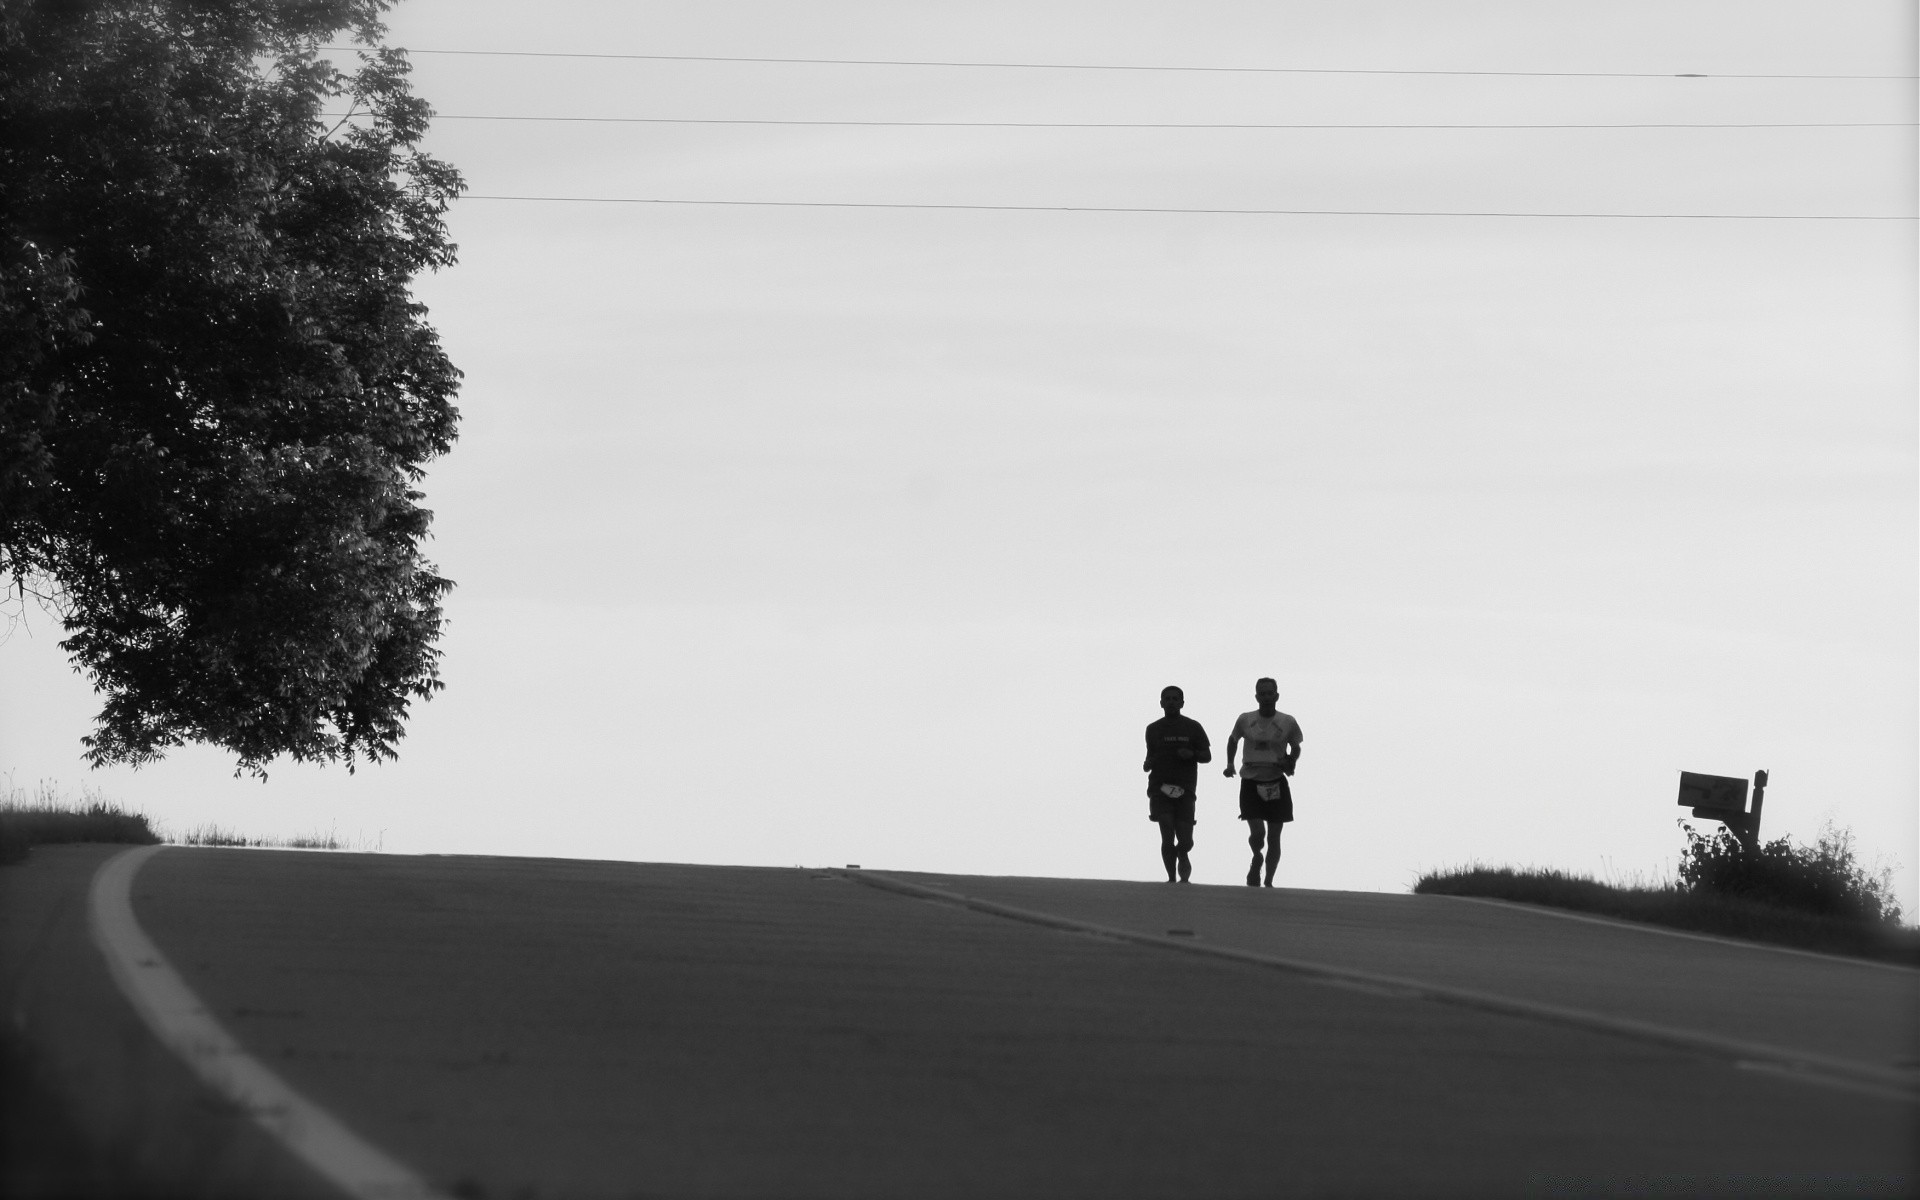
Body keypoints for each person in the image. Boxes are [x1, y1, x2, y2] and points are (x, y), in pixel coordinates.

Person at [1222, 677, 1303, 887]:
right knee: (1258, 833)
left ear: (1276, 696)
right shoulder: (1245, 719)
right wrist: (1230, 764)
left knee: (1274, 837)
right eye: (1262, 693)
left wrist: (1291, 761)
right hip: (1251, 779)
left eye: (1270, 693)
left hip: (1276, 779)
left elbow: (1296, 746)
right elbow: (1233, 739)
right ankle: (1256, 856)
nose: (1266, 697)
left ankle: (1268, 881)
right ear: (1256, 696)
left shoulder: (1288, 721)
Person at [1143, 685, 1210, 883]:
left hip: (1185, 788)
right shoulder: (1153, 729)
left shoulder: (1193, 727)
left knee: (1185, 839)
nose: (1171, 702)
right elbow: (1151, 756)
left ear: (1182, 703)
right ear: (1161, 703)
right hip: (1160, 787)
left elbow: (1207, 756)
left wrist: (1192, 754)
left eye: (1175, 698)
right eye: (1167, 699)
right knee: (1166, 828)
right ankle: (1172, 878)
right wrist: (1148, 764)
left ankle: (1183, 853)